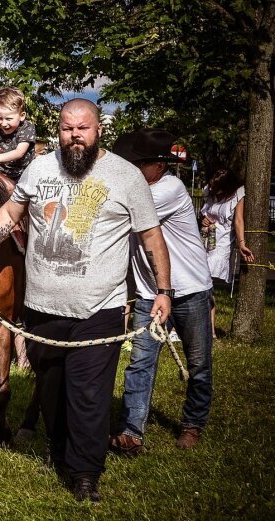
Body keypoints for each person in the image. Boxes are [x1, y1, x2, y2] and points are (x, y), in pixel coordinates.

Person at [0, 99, 172, 502]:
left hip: (99, 309)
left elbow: (152, 238)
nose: (75, 136)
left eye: (83, 128)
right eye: (68, 129)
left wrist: (163, 291)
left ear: (98, 129)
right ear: (59, 130)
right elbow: (9, 216)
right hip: (42, 307)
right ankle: (62, 451)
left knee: (88, 392)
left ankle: (86, 472)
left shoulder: (125, 176)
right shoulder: (41, 167)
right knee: (51, 391)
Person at [109, 128, 214, 455]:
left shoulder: (170, 188)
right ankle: (131, 432)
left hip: (190, 290)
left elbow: (119, 212)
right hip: (147, 293)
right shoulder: (138, 185)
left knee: (198, 364)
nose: (133, 169)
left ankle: (193, 423)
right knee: (141, 362)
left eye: (139, 164)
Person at [200, 168, 255, 337]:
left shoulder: (238, 193)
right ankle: (206, 329)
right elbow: (204, 211)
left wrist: (242, 244)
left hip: (221, 243)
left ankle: (209, 329)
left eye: (217, 188)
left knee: (205, 284)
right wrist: (204, 219)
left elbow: (238, 220)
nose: (213, 190)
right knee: (202, 284)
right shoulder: (209, 190)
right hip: (204, 239)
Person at [0, 87, 37, 182]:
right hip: (0, 172)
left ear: (22, 116)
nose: (3, 124)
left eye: (9, 119)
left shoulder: (27, 128)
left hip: (24, 173)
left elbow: (19, 152)